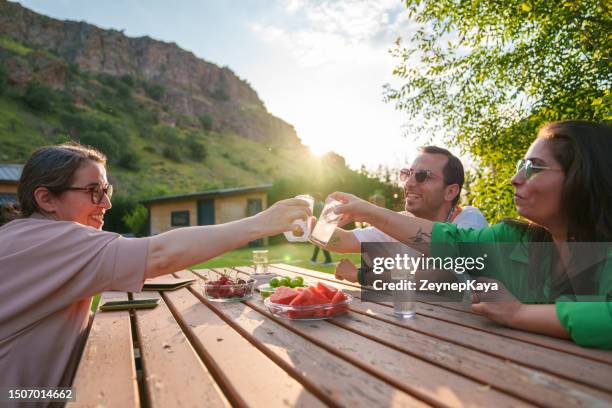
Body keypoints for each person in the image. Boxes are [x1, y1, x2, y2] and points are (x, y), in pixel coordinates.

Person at [0, 142, 311, 390]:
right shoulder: (53, 240)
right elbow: (161, 254)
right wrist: (260, 223)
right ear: (47, 199)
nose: (106, 204)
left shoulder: (24, 237)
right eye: (94, 191)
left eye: (107, 191)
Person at [329, 121, 612, 349]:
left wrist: (518, 314)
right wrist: (365, 212)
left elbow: (444, 279)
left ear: (583, 177)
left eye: (534, 168)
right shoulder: (511, 238)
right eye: (519, 167)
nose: (515, 179)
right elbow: (450, 243)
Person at [325, 146, 488, 282]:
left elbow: (442, 275)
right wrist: (305, 224)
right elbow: (342, 242)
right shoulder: (402, 222)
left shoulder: (470, 219)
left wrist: (361, 276)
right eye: (408, 174)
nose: (408, 183)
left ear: (450, 191)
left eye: (422, 176)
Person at [310, 195, 334, 265]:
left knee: (319, 242)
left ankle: (327, 260)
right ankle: (314, 258)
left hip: (318, 225)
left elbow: (311, 214)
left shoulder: (316, 205)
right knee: (319, 242)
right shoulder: (323, 204)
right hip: (323, 225)